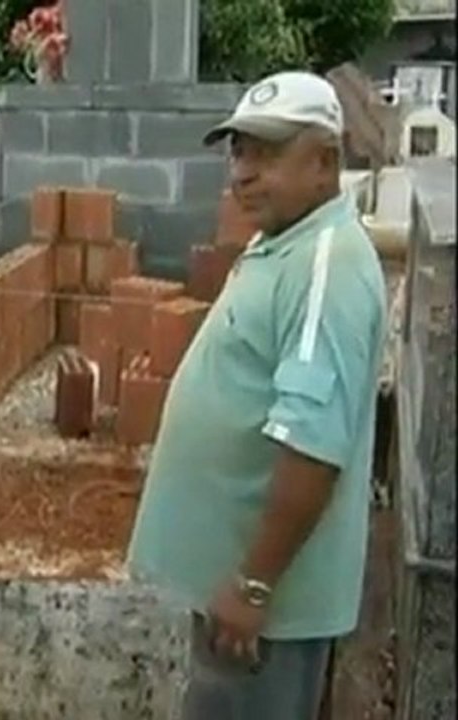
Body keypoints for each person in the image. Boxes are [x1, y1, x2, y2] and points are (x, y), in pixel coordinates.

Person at [126, 71, 387, 720]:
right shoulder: (284, 242)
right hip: (238, 594)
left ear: (325, 161)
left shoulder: (326, 266)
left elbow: (313, 444)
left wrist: (254, 583)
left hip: (263, 610)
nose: (243, 171)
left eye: (267, 152)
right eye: (239, 150)